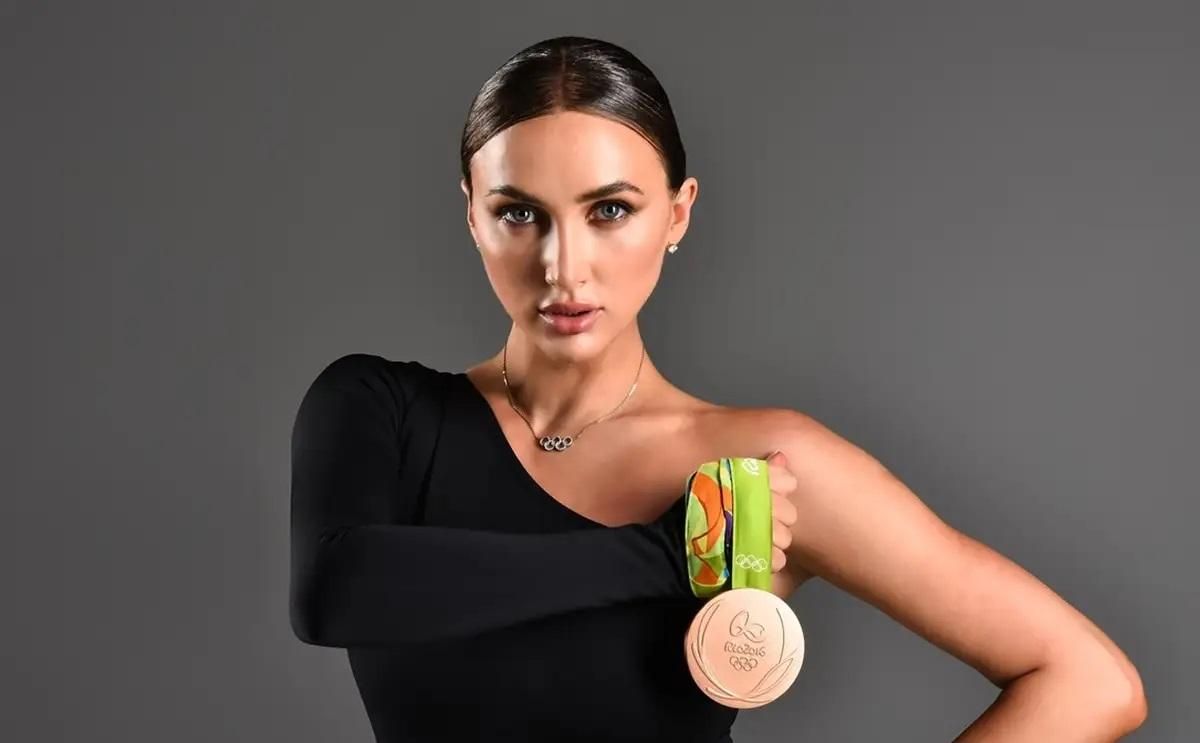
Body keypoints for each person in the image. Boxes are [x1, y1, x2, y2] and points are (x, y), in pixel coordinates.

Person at [289, 35, 1147, 742]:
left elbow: (1088, 680)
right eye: (520, 212)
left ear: (677, 214)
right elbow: (336, 593)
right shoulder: (379, 410)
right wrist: (661, 557)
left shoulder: (760, 467)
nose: (564, 265)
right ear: (472, 213)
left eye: (610, 210)